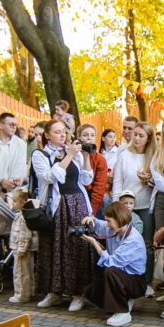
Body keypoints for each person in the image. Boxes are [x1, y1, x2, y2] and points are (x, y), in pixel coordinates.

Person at [32, 119, 94, 311]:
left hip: (77, 203)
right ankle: (54, 293)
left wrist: (85, 156)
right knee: (52, 248)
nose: (62, 135)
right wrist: (69, 155)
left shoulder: (71, 151)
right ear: (47, 135)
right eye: (57, 132)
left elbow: (85, 179)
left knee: (76, 246)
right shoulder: (39, 155)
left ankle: (78, 294)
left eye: (63, 131)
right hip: (56, 205)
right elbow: (51, 176)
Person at [80, 202, 148, 327]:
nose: (107, 224)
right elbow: (99, 225)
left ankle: (123, 312)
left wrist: (94, 243)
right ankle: (121, 301)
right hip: (124, 277)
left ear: (118, 219)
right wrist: (91, 219)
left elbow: (112, 262)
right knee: (90, 292)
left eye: (109, 221)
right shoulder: (115, 227)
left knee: (110, 270)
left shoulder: (133, 239)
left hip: (136, 282)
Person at [112, 122, 156, 294]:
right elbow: (117, 180)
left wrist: (148, 180)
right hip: (125, 205)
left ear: (148, 139)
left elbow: (158, 182)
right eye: (135, 134)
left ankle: (147, 282)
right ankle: (126, 278)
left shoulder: (152, 156)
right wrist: (116, 204)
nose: (136, 138)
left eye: (140, 135)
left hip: (145, 205)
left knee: (146, 243)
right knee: (124, 242)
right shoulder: (124, 154)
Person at [7, 189, 38, 304]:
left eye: (15, 201)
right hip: (24, 249)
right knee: (28, 271)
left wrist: (21, 249)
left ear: (22, 202)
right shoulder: (22, 214)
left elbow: (25, 235)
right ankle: (30, 291)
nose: (13, 203)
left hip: (21, 250)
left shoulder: (23, 217)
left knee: (20, 273)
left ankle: (21, 295)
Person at [76, 124, 108, 214]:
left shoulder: (100, 159)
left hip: (90, 199)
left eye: (92, 135)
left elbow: (99, 188)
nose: (89, 138)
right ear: (79, 137)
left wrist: (92, 212)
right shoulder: (72, 155)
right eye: (85, 135)